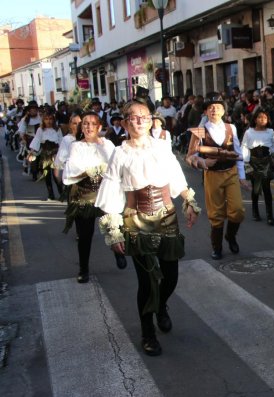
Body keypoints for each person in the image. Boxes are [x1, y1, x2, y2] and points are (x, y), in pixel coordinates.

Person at [96, 100, 200, 356]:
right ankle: (147, 333)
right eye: (133, 116)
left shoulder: (162, 147)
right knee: (146, 281)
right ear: (124, 122)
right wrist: (113, 230)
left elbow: (176, 176)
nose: (140, 120)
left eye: (144, 116)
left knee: (171, 275)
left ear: (151, 120)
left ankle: (161, 305)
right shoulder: (120, 153)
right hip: (136, 219)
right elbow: (110, 192)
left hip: (166, 216)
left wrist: (188, 200)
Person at [62, 112, 127, 283]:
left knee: (114, 226)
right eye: (85, 124)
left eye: (92, 124)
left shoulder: (107, 144)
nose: (89, 127)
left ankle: (118, 252)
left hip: (106, 190)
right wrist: (88, 171)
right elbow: (72, 169)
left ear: (99, 127)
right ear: (81, 127)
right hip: (85, 192)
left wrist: (101, 143)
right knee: (85, 234)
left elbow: (116, 163)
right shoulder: (76, 146)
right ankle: (84, 268)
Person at [185, 98, 247, 260]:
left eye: (218, 108)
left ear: (223, 111)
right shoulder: (199, 130)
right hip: (212, 175)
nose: (214, 110)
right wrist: (204, 162)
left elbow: (238, 151)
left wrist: (242, 176)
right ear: (205, 111)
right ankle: (217, 247)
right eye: (210, 108)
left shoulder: (231, 127)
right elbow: (190, 156)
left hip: (231, 171)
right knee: (216, 213)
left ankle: (231, 236)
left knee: (238, 210)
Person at [241, 109, 274, 225]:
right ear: (255, 119)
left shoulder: (270, 132)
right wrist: (246, 163)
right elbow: (244, 147)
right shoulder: (249, 132)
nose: (262, 120)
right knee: (256, 188)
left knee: (267, 188)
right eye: (259, 117)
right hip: (253, 162)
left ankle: (270, 215)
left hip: (266, 162)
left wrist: (271, 151)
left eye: (265, 118)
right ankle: (255, 211)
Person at [29, 112, 63, 200]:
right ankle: (51, 194)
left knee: (56, 176)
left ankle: (62, 193)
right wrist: (32, 151)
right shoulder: (40, 130)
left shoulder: (57, 129)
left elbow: (61, 141)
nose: (49, 121)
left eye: (51, 119)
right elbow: (36, 140)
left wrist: (62, 154)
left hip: (55, 154)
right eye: (46, 119)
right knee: (47, 175)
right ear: (43, 120)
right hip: (45, 155)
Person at [54, 112, 82, 196]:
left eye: (80, 123)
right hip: (72, 176)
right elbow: (60, 160)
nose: (77, 126)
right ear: (70, 125)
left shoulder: (87, 139)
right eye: (74, 123)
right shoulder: (66, 139)